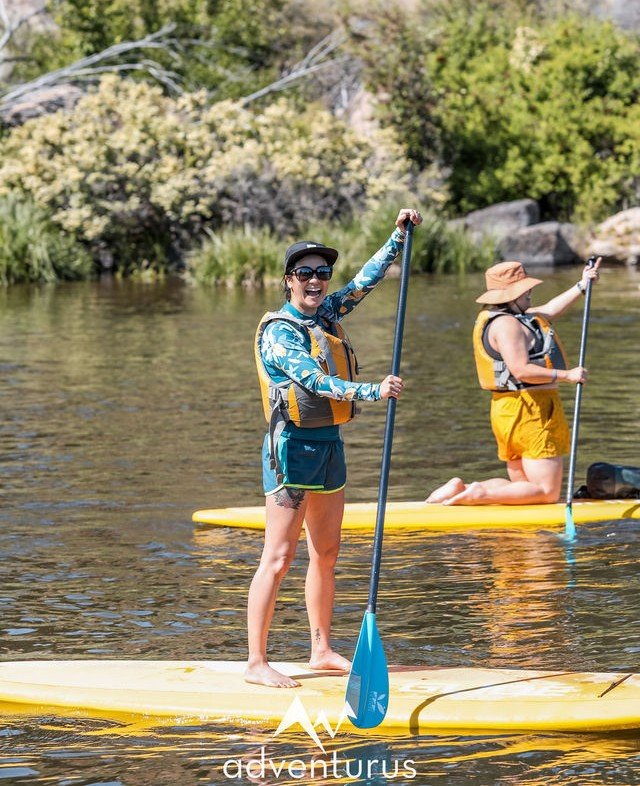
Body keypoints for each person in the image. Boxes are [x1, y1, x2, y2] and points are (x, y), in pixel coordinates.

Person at [246, 208, 422, 688]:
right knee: (279, 557)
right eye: (305, 273)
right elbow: (312, 379)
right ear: (288, 281)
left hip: (328, 446)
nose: (316, 280)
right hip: (291, 449)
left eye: (322, 273)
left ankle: (320, 649)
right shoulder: (280, 331)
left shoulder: (325, 313)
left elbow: (365, 282)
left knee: (326, 551)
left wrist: (398, 237)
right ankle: (256, 663)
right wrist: (373, 391)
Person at [426, 257, 601, 506]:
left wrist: (582, 285)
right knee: (547, 492)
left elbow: (550, 310)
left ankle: (460, 489)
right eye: (525, 290)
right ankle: (479, 494)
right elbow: (521, 370)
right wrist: (567, 375)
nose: (530, 293)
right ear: (510, 295)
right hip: (533, 411)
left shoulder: (504, 317)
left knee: (524, 488)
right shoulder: (508, 326)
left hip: (507, 411)